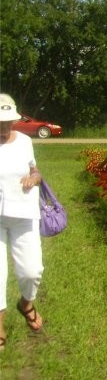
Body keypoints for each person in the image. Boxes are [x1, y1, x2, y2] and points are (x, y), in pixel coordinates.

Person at [0, 93, 45, 351]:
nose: (4, 127)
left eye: (8, 121)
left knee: (31, 270)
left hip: (24, 214)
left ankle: (25, 303)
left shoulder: (25, 142)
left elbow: (34, 170)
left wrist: (34, 178)